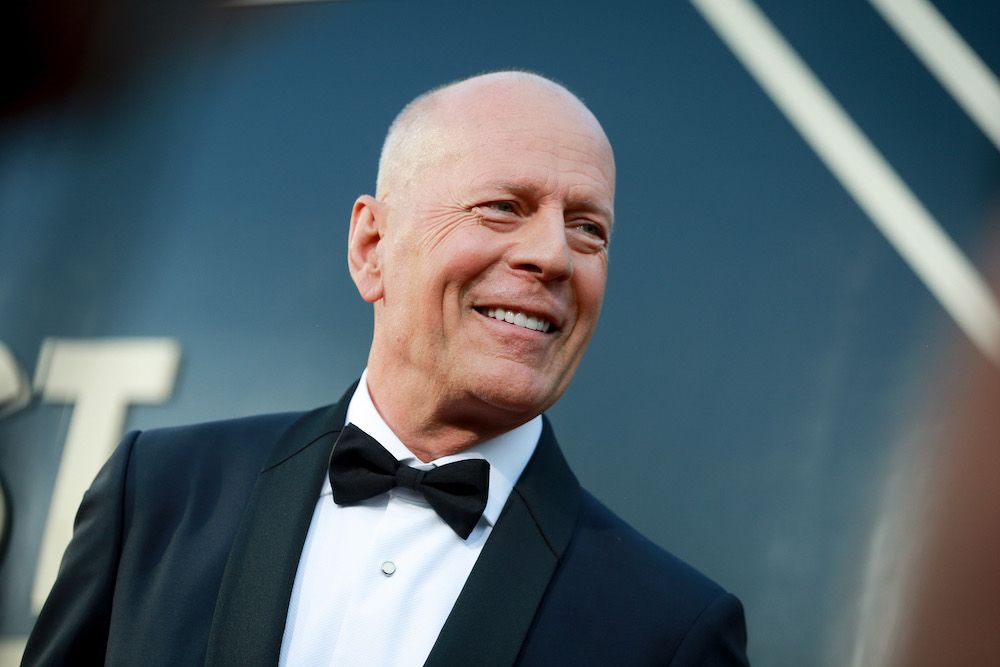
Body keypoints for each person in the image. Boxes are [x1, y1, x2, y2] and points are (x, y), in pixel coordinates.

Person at [23, 71, 749, 666]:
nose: (553, 256)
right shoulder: (156, 496)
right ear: (373, 246)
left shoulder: (672, 629)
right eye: (503, 207)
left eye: (588, 227)